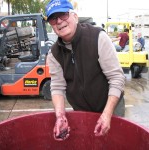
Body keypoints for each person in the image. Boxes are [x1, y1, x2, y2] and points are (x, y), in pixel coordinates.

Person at [45, 0, 125, 141]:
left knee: (112, 142)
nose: (59, 21)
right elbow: (57, 87)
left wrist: (107, 114)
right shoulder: (54, 54)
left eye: (63, 15)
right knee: (89, 141)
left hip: (110, 107)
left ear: (74, 16)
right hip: (82, 110)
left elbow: (116, 78)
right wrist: (60, 116)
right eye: (53, 18)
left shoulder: (97, 38)